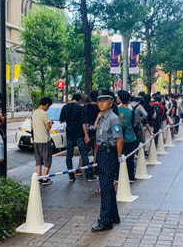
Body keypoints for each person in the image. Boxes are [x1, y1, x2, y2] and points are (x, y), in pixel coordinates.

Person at [91, 89, 123, 232]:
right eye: (99, 101)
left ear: (111, 104)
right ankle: (114, 216)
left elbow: (119, 139)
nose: (101, 104)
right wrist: (98, 117)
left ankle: (105, 221)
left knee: (105, 188)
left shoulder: (113, 118)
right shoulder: (103, 117)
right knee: (107, 187)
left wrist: (117, 157)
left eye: (104, 102)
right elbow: (96, 128)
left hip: (109, 155)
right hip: (102, 154)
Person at [59, 93, 94, 182]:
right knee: (83, 154)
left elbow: (61, 121)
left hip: (69, 133)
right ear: (79, 100)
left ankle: (71, 175)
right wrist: (86, 135)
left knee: (69, 155)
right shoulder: (81, 108)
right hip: (79, 134)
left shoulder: (65, 107)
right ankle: (89, 175)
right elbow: (84, 123)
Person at [117, 90, 139, 182]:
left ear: (120, 98)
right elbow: (135, 124)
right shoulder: (132, 111)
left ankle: (118, 176)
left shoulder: (116, 110)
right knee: (130, 158)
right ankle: (131, 176)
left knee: (119, 158)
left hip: (119, 138)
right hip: (130, 138)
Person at [32, 97, 53, 185]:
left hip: (36, 140)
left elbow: (32, 127)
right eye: (48, 106)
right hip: (44, 140)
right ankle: (45, 178)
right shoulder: (45, 114)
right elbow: (47, 128)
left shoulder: (34, 113)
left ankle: (39, 177)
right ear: (47, 105)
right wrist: (51, 123)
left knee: (38, 159)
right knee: (47, 159)